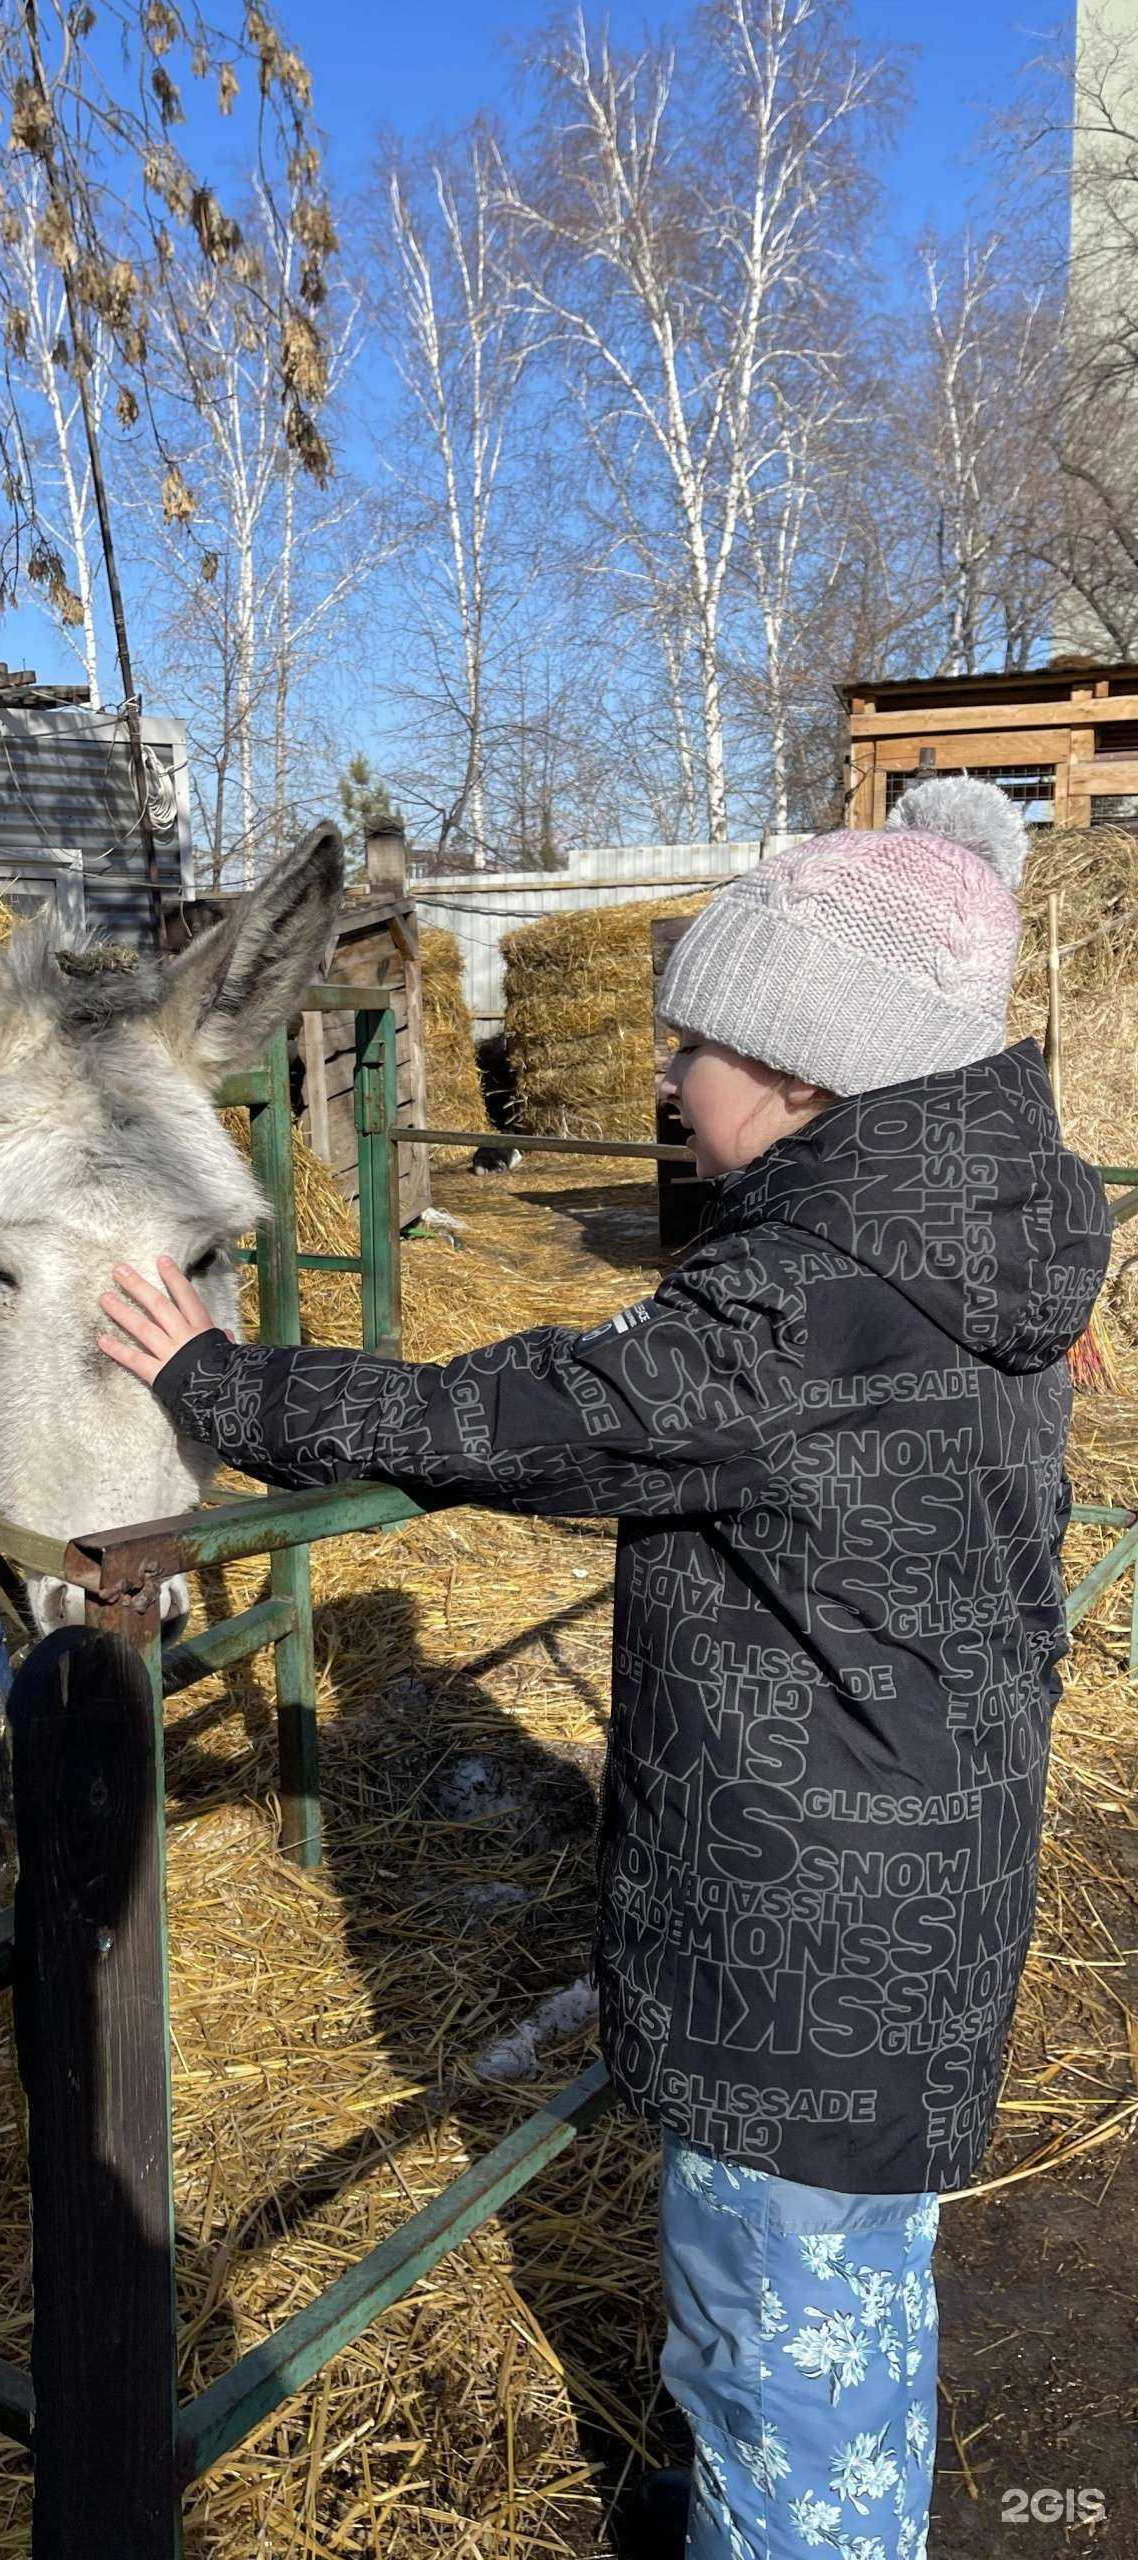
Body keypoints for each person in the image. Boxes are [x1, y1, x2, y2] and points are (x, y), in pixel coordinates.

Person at [98, 777, 1110, 2560]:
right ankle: (762, 2499)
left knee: (782, 2326)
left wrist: (221, 1382)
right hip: (911, 1872)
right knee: (834, 2300)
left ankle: (785, 2526)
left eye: (690, 1046)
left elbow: (522, 1415)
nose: (664, 1076)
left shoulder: (807, 1298)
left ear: (801, 1073)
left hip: (806, 1933)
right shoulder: (969, 1234)